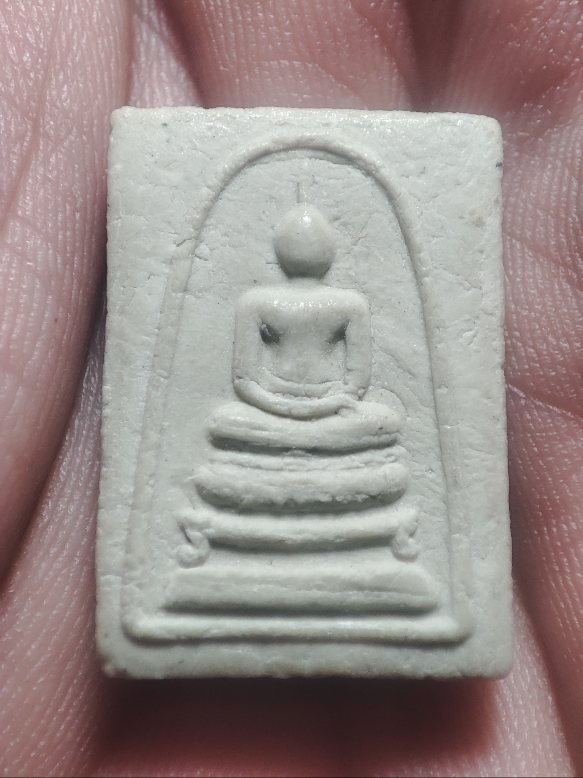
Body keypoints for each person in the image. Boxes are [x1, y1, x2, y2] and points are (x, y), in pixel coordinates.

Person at [0, 1, 580, 775]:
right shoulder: (257, 302)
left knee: (373, 425)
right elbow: (245, 375)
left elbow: (359, 376)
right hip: (268, 415)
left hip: (331, 415)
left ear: (321, 250)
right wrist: (280, 404)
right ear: (286, 250)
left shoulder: (345, 304)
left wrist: (323, 404)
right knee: (238, 431)